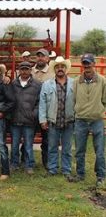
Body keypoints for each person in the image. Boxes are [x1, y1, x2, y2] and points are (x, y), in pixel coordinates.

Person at [70, 53, 106, 187]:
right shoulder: (76, 82)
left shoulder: (102, 81)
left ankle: (101, 176)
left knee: (100, 151)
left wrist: (98, 110)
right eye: (84, 63)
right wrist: (78, 111)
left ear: (94, 64)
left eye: (89, 63)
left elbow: (105, 100)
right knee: (79, 150)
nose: (87, 66)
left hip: (97, 120)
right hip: (80, 120)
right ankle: (80, 174)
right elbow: (73, 100)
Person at [39, 56, 74, 177]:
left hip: (69, 120)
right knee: (52, 147)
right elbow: (42, 103)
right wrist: (43, 119)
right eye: (57, 67)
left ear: (66, 69)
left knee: (67, 148)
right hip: (52, 121)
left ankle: (66, 170)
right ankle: (52, 169)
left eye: (62, 67)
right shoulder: (47, 84)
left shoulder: (73, 84)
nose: (60, 69)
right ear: (54, 69)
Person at [10, 61, 41, 174]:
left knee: (28, 145)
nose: (24, 71)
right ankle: (14, 163)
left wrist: (34, 114)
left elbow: (39, 102)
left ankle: (29, 165)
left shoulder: (37, 85)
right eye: (22, 69)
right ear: (19, 70)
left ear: (30, 70)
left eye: (26, 69)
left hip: (29, 120)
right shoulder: (13, 84)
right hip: (15, 119)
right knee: (14, 145)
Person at [31, 48, 54, 170]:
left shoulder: (53, 72)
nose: (40, 58)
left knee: (47, 139)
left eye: (43, 56)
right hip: (32, 109)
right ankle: (26, 161)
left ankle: (47, 162)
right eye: (38, 56)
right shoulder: (30, 71)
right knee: (29, 136)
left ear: (47, 58)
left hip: (47, 110)